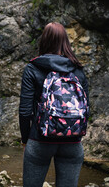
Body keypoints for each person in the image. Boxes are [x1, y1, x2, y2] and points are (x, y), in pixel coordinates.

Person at [19, 22, 89, 187]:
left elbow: (25, 111)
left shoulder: (33, 68)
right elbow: (86, 108)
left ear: (44, 41)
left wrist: (25, 139)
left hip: (40, 139)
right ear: (65, 41)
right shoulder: (77, 70)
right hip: (72, 142)